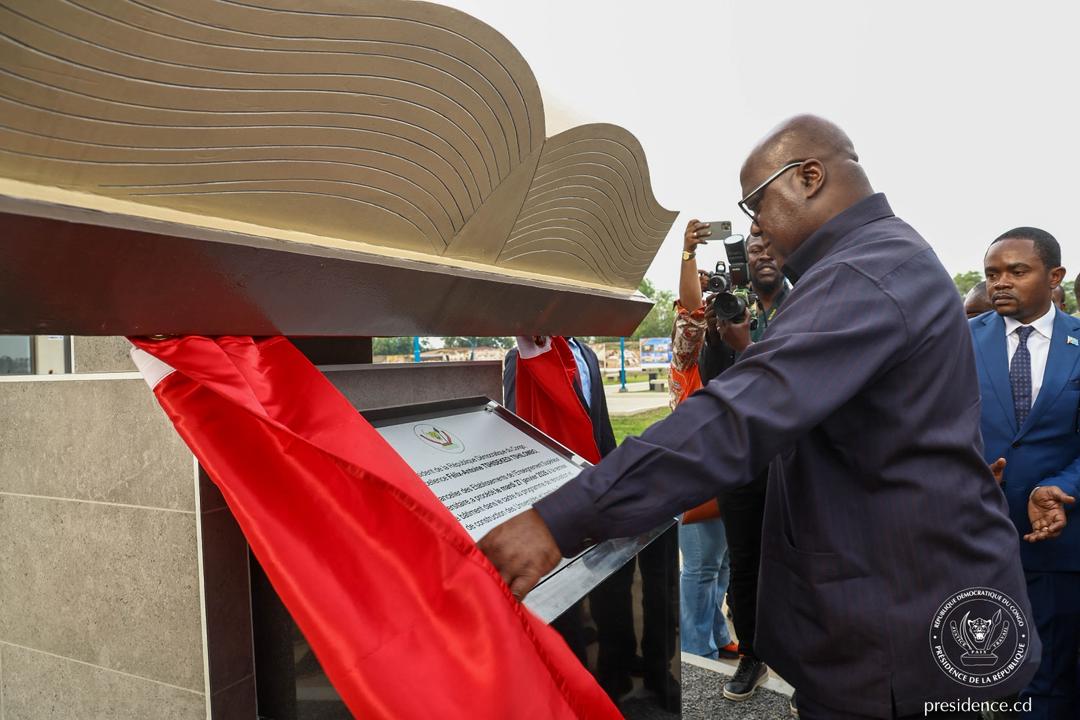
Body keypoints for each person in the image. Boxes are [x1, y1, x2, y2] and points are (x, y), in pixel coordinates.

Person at [479, 115, 1044, 719]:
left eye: (757, 204)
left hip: (894, 637)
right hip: (898, 612)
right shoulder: (879, 259)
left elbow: (738, 415)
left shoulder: (866, 272)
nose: (756, 228)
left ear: (808, 177)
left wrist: (559, 520)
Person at [504, 338, 679, 710]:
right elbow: (518, 424)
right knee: (571, 605)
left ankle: (618, 664)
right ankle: (583, 686)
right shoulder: (517, 358)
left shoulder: (585, 354)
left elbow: (601, 431)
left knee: (614, 586)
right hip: (556, 500)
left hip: (597, 494)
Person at [970, 227, 1079, 720]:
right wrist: (964, 473)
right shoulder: (958, 340)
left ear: (1054, 277)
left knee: (1050, 680)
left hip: (1056, 542)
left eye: (1017, 271)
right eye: (993, 273)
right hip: (971, 537)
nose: (1001, 283)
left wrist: (1062, 488)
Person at [697, 231, 792, 703]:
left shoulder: (811, 304)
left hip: (799, 463)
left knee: (805, 560)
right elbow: (713, 385)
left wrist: (749, 346)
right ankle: (752, 653)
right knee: (745, 564)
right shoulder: (732, 313)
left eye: (771, 249)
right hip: (742, 463)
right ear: (742, 265)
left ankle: (806, 665)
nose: (763, 256)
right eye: (754, 251)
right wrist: (721, 341)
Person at [670, 218, 740, 662]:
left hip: (733, 471)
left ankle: (716, 632)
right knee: (700, 567)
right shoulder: (687, 361)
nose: (710, 316)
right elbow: (690, 317)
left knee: (722, 566)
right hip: (695, 476)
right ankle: (696, 649)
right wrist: (688, 254)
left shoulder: (735, 352)